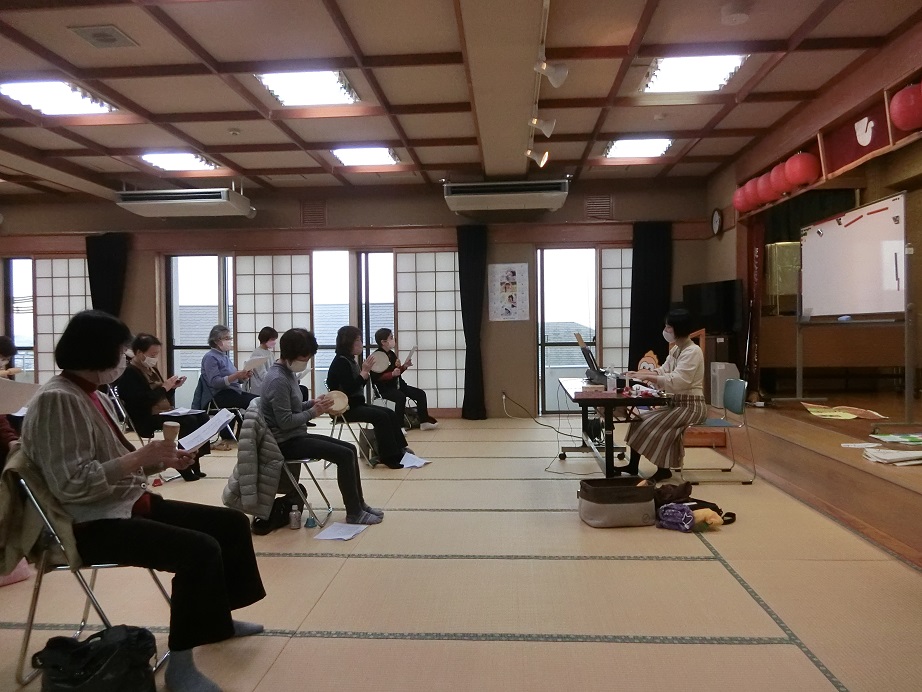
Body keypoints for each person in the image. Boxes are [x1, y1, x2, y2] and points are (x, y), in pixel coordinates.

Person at [19, 310, 265, 692]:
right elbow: (72, 484)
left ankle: (216, 622)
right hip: (85, 524)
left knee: (230, 524)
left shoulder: (88, 393)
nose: (126, 358)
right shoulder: (57, 400)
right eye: (122, 351)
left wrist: (163, 459)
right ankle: (181, 666)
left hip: (120, 504)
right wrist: (140, 458)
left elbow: (114, 461)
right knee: (199, 550)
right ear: (98, 352)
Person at [261, 328, 384, 525]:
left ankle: (359, 505)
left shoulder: (286, 372)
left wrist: (311, 403)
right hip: (283, 442)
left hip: (294, 436)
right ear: (290, 354)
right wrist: (314, 412)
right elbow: (285, 421)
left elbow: (292, 407)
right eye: (304, 357)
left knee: (350, 449)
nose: (306, 361)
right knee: (344, 455)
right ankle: (354, 513)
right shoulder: (278, 379)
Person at [622, 308, 707, 481]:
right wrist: (639, 374)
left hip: (691, 407)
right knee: (639, 420)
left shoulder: (693, 351)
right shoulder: (677, 349)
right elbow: (663, 371)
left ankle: (663, 469)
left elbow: (679, 381)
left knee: (652, 423)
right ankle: (633, 466)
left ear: (679, 329)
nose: (666, 330)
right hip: (676, 404)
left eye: (669, 327)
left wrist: (647, 376)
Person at [115, 333, 211, 481]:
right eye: (152, 354)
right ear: (139, 353)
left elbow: (162, 396)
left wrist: (172, 387)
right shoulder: (130, 373)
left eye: (157, 354)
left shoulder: (151, 369)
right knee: (189, 421)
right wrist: (164, 388)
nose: (155, 358)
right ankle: (184, 465)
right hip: (145, 416)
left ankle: (195, 459)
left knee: (202, 416)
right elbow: (143, 401)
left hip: (163, 411)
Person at [326, 326, 410, 469]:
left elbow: (358, 386)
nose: (361, 343)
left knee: (389, 413)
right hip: (345, 409)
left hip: (356, 404)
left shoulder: (350, 360)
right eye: (358, 340)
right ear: (348, 343)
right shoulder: (341, 362)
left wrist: (365, 373)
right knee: (381, 417)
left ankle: (400, 450)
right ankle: (388, 456)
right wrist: (363, 373)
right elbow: (348, 389)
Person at [370, 328, 438, 431]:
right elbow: (376, 377)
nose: (393, 340)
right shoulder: (376, 356)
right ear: (383, 342)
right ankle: (399, 426)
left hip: (398, 385)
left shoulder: (391, 354)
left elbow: (397, 372)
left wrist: (404, 366)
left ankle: (424, 422)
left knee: (420, 394)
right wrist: (392, 374)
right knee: (400, 397)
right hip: (384, 389)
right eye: (391, 338)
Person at [199, 325, 257, 438]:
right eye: (226, 338)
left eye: (229, 338)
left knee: (258, 400)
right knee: (254, 401)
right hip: (218, 395)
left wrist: (243, 377)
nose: (230, 340)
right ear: (216, 341)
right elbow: (215, 382)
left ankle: (242, 432)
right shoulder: (210, 357)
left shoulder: (224, 357)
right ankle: (243, 433)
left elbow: (233, 379)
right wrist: (236, 375)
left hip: (231, 392)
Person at [245, 326, 277, 396]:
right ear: (265, 339)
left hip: (269, 384)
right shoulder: (257, 353)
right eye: (272, 339)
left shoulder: (270, 353)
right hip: (260, 388)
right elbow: (262, 375)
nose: (274, 342)